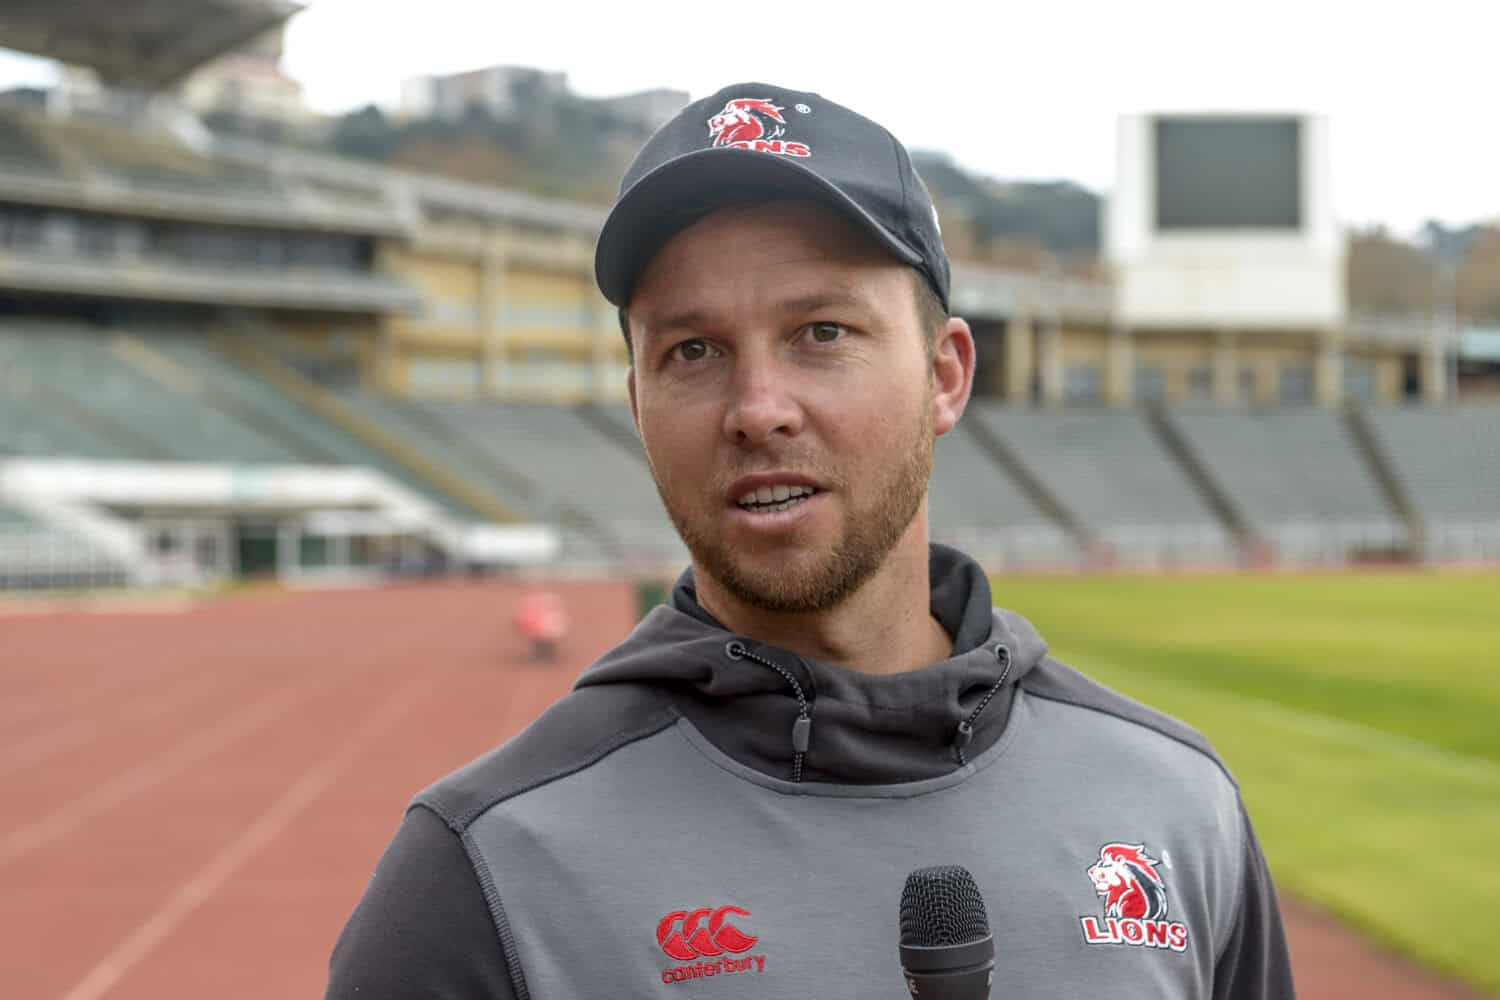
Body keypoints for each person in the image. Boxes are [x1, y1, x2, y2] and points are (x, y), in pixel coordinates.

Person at [326, 83, 1294, 998]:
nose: (757, 409)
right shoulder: (484, 871)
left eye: (821, 332)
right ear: (638, 404)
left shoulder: (1179, 808)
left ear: (946, 374)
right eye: (691, 351)